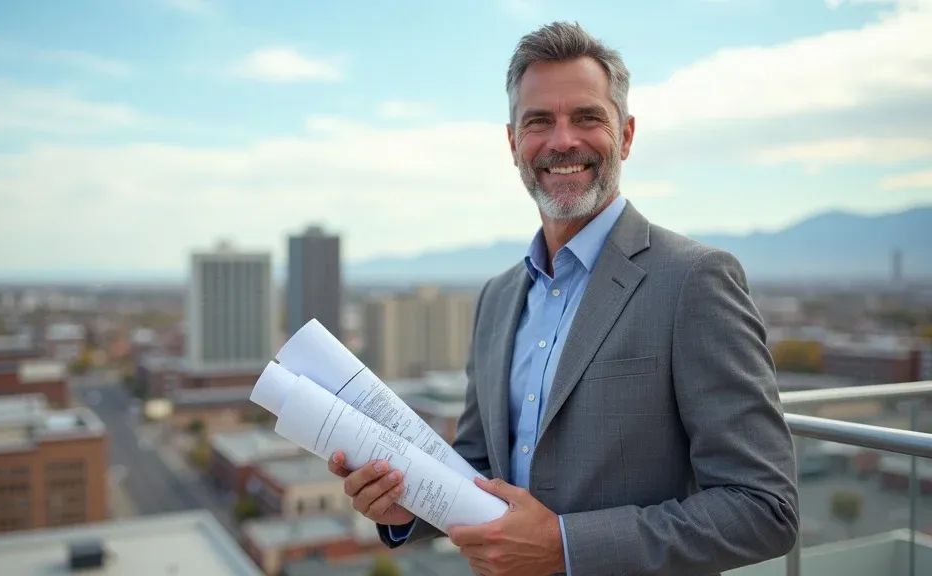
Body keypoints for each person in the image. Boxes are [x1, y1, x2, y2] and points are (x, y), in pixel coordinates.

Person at [327, 21, 799, 576]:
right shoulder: (497, 299)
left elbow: (765, 508)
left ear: (624, 135)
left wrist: (567, 546)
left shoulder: (695, 281)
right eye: (539, 122)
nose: (562, 141)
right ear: (513, 144)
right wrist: (405, 502)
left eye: (587, 118)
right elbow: (480, 469)